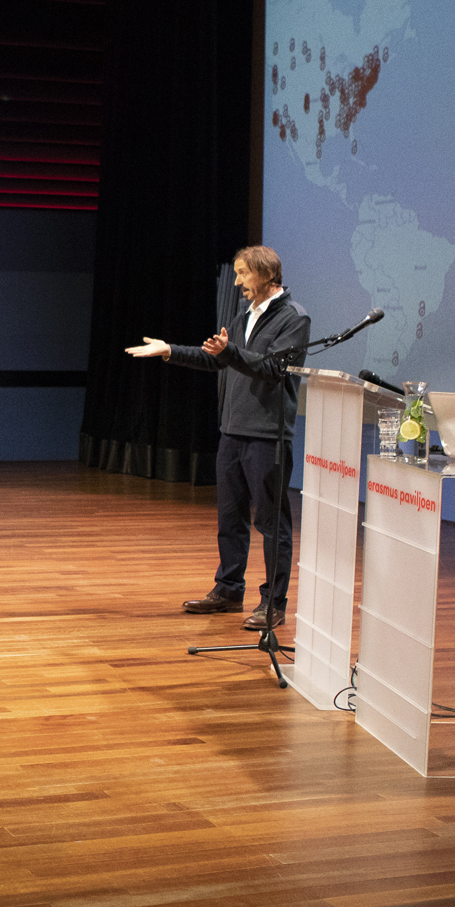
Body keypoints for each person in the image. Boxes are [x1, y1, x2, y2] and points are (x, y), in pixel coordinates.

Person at [126, 245, 309, 632]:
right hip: (232, 432)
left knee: (271, 524)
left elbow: (274, 369)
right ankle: (228, 590)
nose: (238, 281)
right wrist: (170, 350)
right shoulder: (245, 315)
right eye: (237, 273)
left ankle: (273, 603)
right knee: (230, 518)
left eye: (244, 273)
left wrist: (231, 351)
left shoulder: (293, 317)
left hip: (267, 436)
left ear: (266, 274)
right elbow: (218, 358)